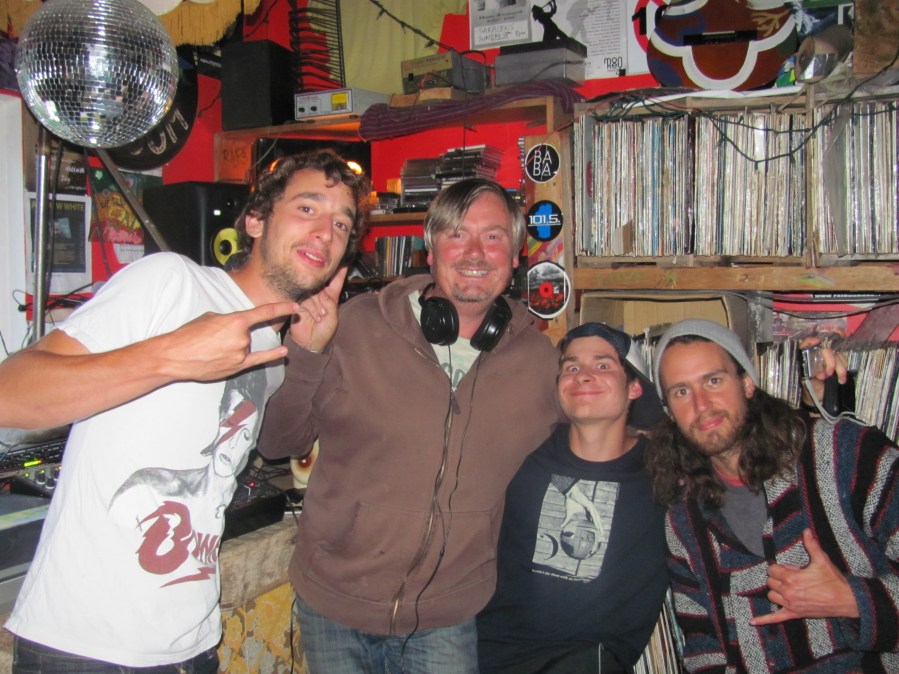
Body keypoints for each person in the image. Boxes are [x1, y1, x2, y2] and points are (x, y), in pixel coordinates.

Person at [0, 149, 371, 672]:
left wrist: (307, 352)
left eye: (341, 223)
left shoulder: (270, 349)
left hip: (191, 645)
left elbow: (278, 447)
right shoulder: (172, 281)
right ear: (256, 220)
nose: (325, 233)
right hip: (84, 647)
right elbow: (10, 394)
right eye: (307, 208)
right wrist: (169, 358)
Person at [255, 178, 562, 673]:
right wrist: (305, 352)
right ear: (430, 249)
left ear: (515, 254)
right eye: (456, 234)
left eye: (493, 236)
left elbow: (589, 440)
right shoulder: (353, 325)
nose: (475, 253)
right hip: (333, 600)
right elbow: (277, 442)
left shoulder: (538, 361)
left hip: (447, 613)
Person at [645, 318, 899, 673]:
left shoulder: (847, 454)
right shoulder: (684, 521)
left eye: (713, 381)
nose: (701, 405)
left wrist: (852, 600)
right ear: (670, 414)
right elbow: (703, 647)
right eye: (681, 392)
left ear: (747, 383)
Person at [477, 322, 669, 674]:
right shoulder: (523, 454)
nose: (583, 375)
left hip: (588, 662)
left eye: (602, 364)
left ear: (634, 387)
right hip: (488, 656)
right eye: (571, 367)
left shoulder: (667, 473)